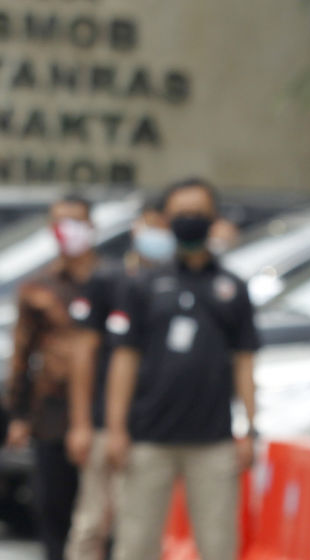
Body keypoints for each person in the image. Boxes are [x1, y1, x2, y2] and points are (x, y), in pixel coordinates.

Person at [104, 178, 259, 560]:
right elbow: (124, 359)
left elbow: (244, 361)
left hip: (213, 440)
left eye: (198, 213)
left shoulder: (232, 287)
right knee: (135, 544)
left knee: (218, 545)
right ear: (166, 220)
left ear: (214, 218)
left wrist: (249, 428)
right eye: (182, 214)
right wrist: (116, 429)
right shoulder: (144, 284)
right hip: (149, 437)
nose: (190, 221)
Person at [64, 201, 176, 560]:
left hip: (154, 426)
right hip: (105, 422)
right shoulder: (110, 280)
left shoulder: (181, 285)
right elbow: (84, 354)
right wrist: (82, 423)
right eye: (150, 226)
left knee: (140, 527)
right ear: (136, 229)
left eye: (164, 227)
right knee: (92, 521)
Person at [4, 195, 104, 560]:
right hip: (52, 412)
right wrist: (18, 415)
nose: (68, 229)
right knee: (53, 507)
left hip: (103, 409)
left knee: (100, 513)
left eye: (75, 220)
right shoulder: (38, 288)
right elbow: (22, 355)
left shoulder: (110, 282)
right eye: (60, 222)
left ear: (91, 226)